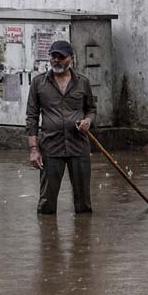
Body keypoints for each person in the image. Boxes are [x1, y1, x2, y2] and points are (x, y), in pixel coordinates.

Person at [26, 40, 96, 215]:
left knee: (83, 203)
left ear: (71, 58)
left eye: (61, 57)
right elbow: (32, 117)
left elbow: (91, 109)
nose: (56, 60)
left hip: (78, 146)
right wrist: (34, 150)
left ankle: (83, 232)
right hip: (51, 147)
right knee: (46, 204)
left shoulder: (83, 82)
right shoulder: (38, 83)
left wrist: (88, 120)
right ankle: (48, 232)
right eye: (53, 56)